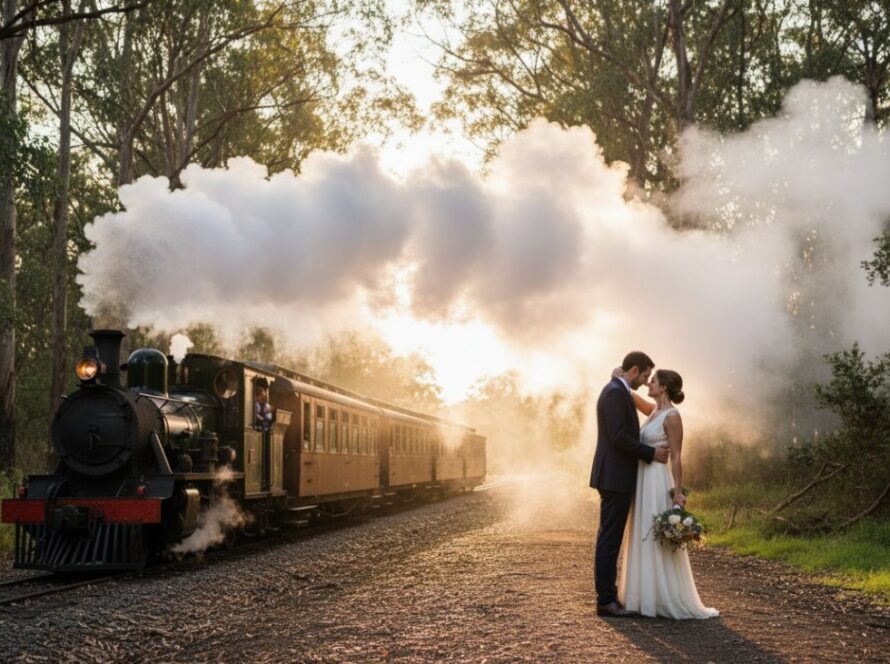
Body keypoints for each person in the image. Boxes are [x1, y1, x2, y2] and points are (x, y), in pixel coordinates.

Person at [616, 367, 719, 619]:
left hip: (657, 480)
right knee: (642, 531)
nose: (648, 384)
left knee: (655, 534)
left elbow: (676, 455)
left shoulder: (672, 416)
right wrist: (620, 378)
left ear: (663, 388)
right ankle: (643, 596)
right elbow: (629, 394)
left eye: (652, 381)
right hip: (642, 477)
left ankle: (663, 596)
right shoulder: (653, 411)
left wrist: (677, 492)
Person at [590, 351, 670, 618]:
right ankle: (605, 600)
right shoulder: (615, 392)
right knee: (609, 538)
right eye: (645, 375)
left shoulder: (618, 389)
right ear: (634, 370)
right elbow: (619, 437)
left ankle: (608, 597)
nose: (647, 381)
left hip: (617, 476)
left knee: (610, 537)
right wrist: (650, 454)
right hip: (614, 477)